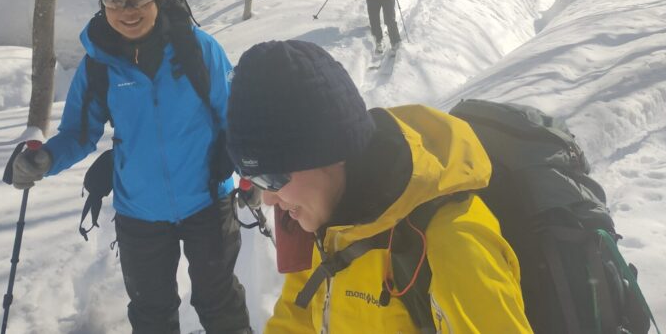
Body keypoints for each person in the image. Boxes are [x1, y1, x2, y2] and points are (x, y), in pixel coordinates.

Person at [10, 0, 251, 334]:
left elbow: (234, 117)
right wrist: (46, 159)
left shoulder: (198, 49)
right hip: (140, 210)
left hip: (208, 201)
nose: (128, 10)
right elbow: (79, 132)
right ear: (103, 6)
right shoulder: (98, 64)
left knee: (219, 302)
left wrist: (250, 175)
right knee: (152, 312)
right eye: (114, 1)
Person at [225, 40, 532, 334]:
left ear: (332, 153)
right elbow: (297, 316)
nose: (268, 197)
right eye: (257, 179)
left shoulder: (454, 245)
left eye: (274, 179)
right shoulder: (326, 222)